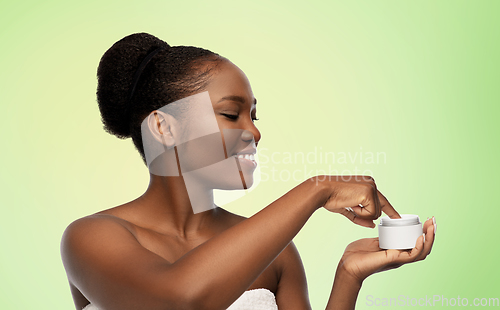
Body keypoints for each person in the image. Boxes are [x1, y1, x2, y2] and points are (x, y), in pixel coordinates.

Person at [60, 32, 436, 310]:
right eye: (230, 113)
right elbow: (179, 300)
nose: (254, 131)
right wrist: (315, 190)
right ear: (164, 127)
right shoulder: (91, 238)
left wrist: (349, 275)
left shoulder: (276, 253)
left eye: (253, 116)